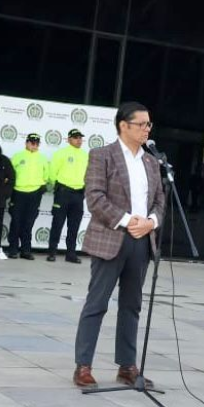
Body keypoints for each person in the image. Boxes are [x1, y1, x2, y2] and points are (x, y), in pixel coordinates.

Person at [72, 102, 164, 389]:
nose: (147, 129)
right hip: (112, 238)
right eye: (142, 124)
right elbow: (95, 198)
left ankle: (127, 366)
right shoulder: (102, 155)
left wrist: (151, 221)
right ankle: (83, 366)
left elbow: (160, 200)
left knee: (131, 306)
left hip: (142, 241)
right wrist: (127, 220)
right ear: (124, 125)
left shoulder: (151, 161)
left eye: (149, 124)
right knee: (97, 303)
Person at [47, 129, 89, 264]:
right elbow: (52, 171)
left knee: (74, 225)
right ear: (69, 139)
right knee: (57, 223)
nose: (79, 140)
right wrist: (57, 186)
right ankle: (52, 252)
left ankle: (71, 253)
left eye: (80, 138)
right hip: (63, 192)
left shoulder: (85, 155)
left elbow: (88, 173)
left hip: (78, 193)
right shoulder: (61, 153)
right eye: (76, 137)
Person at [6, 133, 47, 260]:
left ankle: (26, 250)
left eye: (37, 143)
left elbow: (46, 175)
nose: (34, 145)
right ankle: (13, 249)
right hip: (18, 192)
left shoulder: (42, 158)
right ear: (27, 143)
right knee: (16, 221)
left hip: (35, 193)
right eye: (32, 142)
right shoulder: (18, 156)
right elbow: (10, 174)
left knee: (29, 223)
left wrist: (41, 187)